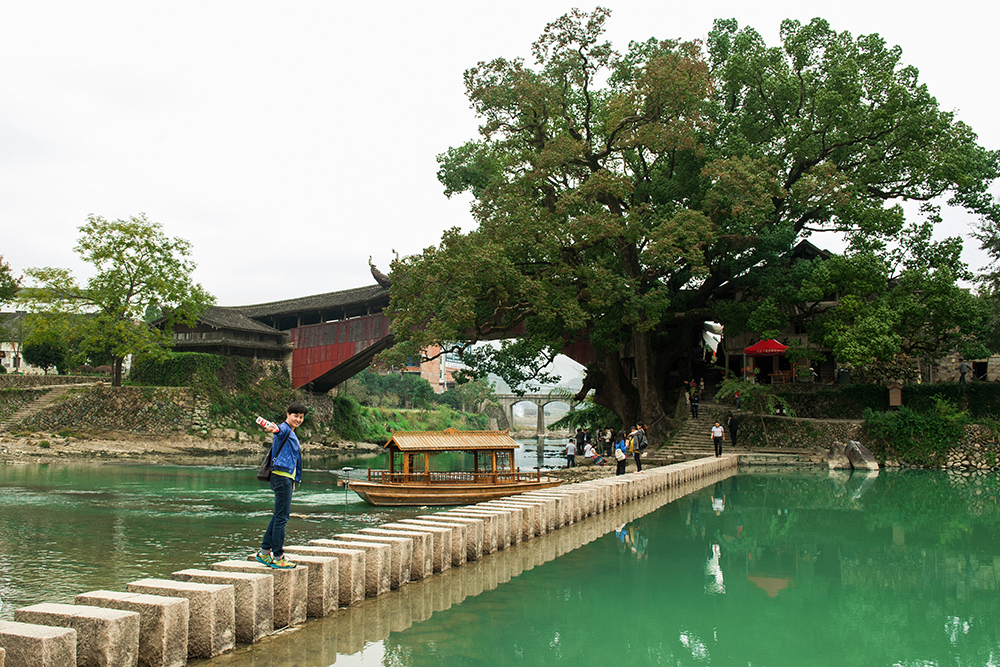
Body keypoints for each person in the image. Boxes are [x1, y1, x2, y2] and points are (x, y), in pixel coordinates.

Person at [257, 402, 307, 569]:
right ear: (288, 414)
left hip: (286, 478)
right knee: (282, 517)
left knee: (278, 515)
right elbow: (277, 429)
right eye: (295, 416)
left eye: (301, 417)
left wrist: (293, 480)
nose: (298, 419)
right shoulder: (285, 429)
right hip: (281, 476)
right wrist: (272, 428)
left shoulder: (291, 432)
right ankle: (278, 556)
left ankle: (264, 553)